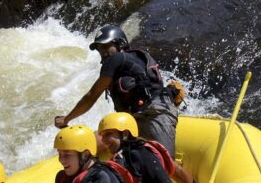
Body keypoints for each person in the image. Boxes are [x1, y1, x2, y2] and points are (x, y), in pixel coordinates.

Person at [54, 24, 178, 155]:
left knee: (167, 162)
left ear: (120, 44)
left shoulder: (116, 59)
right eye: (100, 48)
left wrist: (66, 119)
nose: (103, 52)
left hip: (154, 115)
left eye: (107, 46)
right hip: (132, 119)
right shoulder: (135, 58)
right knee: (95, 145)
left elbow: (91, 96)